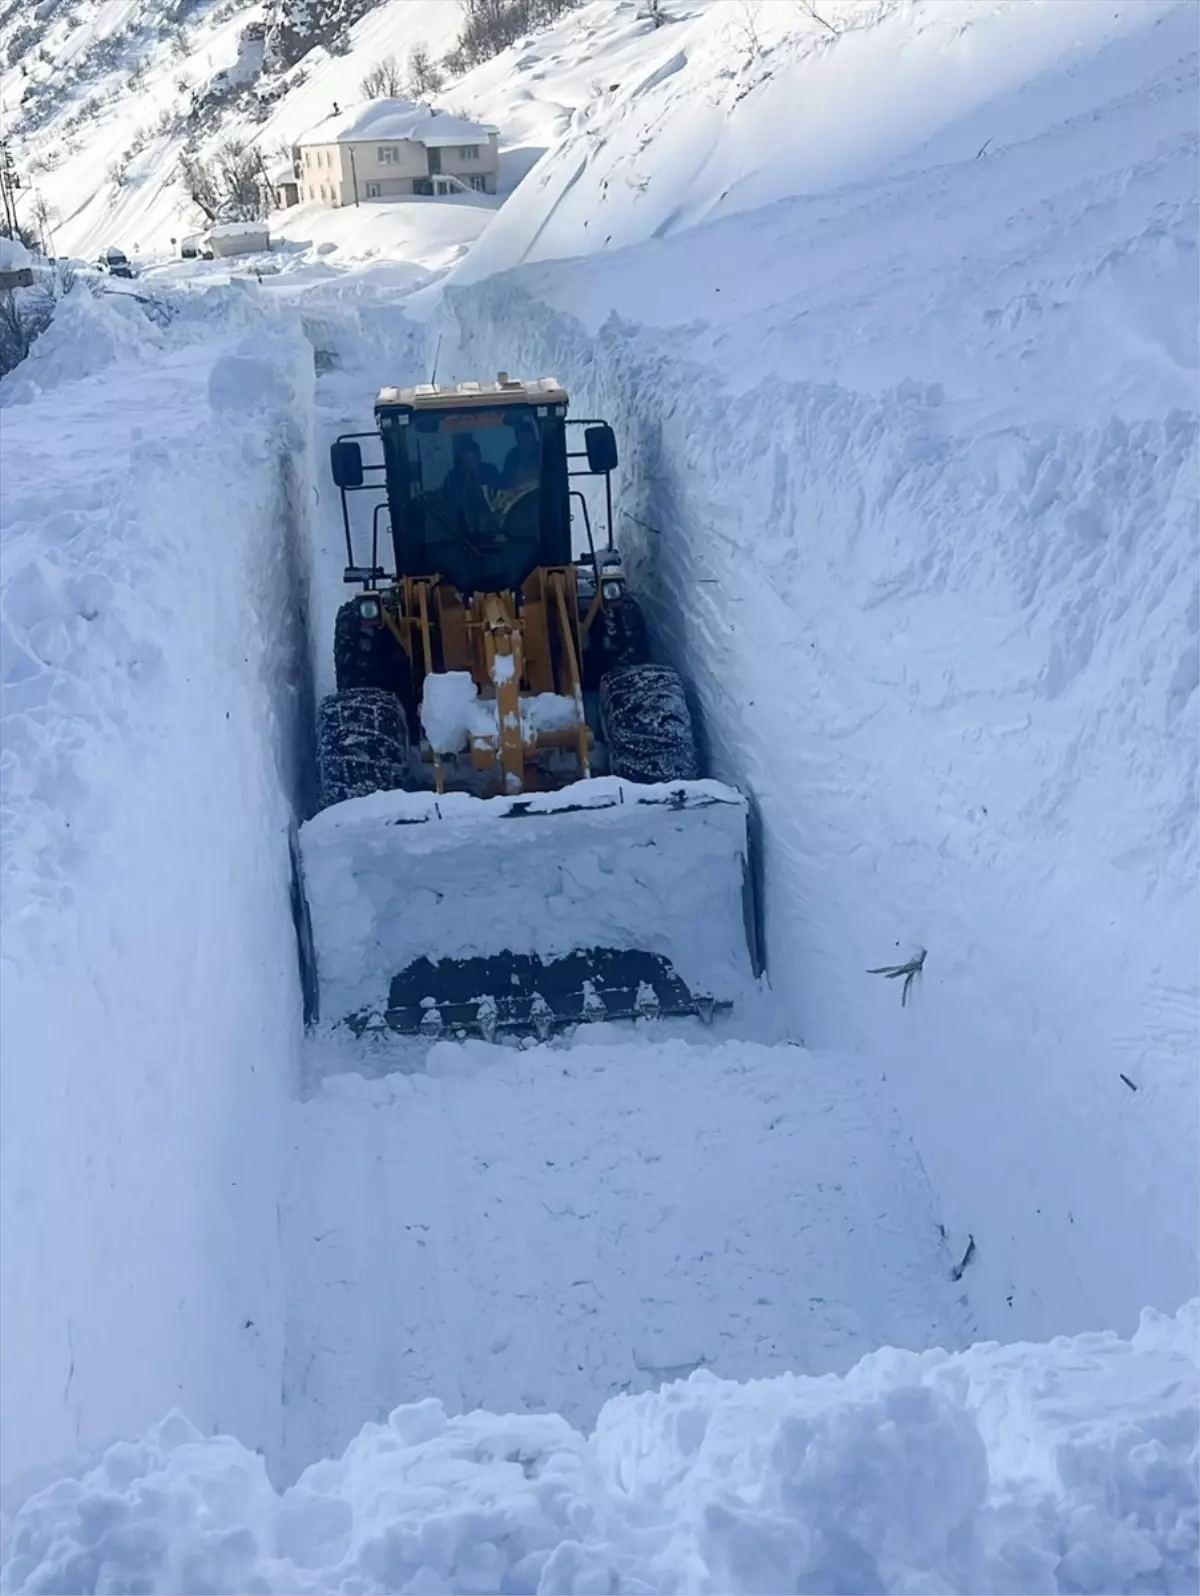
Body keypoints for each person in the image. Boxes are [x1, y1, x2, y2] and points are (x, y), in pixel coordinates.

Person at [500, 420, 540, 491]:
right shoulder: (512, 457)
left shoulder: (544, 452)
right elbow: (506, 484)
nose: (526, 445)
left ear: (534, 438)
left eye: (528, 440)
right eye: (522, 442)